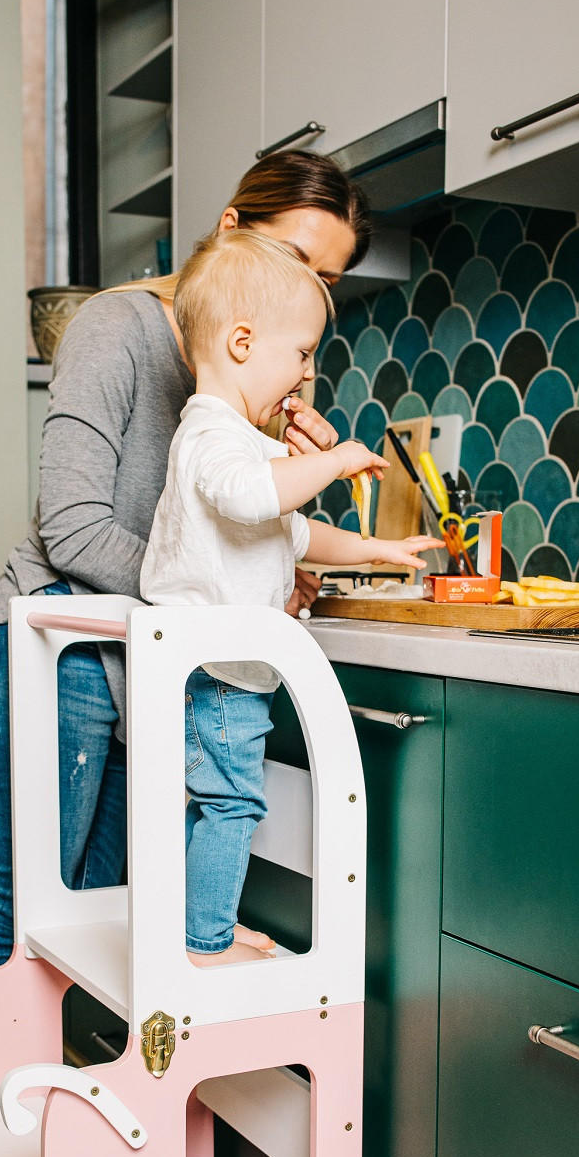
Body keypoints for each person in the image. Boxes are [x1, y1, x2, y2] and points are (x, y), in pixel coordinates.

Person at [0, 150, 374, 1157]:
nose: (307, 288)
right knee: (18, 936)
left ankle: (19, 1150)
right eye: (295, 257)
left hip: (131, 665)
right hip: (42, 650)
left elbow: (223, 524)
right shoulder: (117, 328)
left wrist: (281, 454)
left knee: (93, 936)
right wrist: (211, 600)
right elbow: (72, 529)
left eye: (326, 279)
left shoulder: (245, 365)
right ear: (229, 228)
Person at [140, 230, 443, 965]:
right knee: (231, 804)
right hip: (216, 674)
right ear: (242, 342)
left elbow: (293, 531)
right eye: (303, 353)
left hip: (218, 671)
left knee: (213, 802)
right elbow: (254, 497)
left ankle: (193, 929)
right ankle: (203, 944)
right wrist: (333, 460)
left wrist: (373, 549)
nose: (308, 373)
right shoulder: (214, 436)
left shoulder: (239, 441)